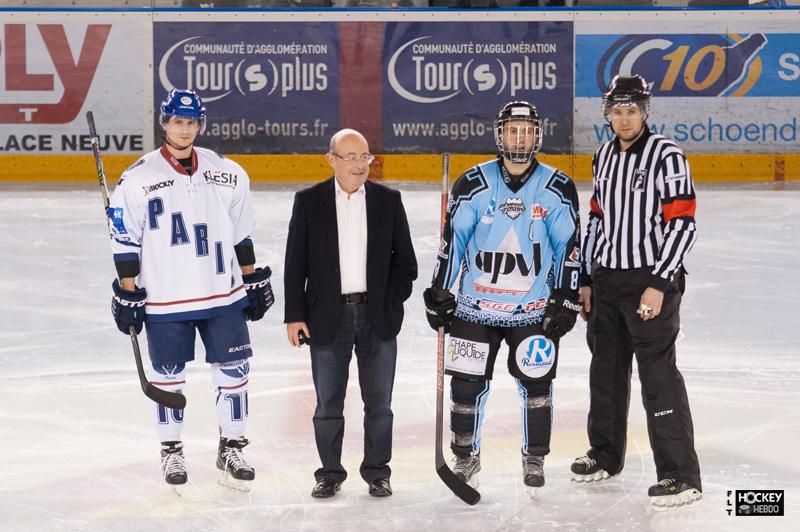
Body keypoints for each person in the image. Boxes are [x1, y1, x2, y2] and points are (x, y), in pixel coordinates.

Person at [107, 89, 274, 492]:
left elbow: (241, 235)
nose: (184, 130)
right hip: (165, 298)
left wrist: (250, 277)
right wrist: (129, 292)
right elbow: (125, 241)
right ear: (164, 123)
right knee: (167, 377)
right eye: (177, 122)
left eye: (191, 122)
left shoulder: (228, 172)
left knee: (235, 371)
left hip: (222, 294)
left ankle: (232, 445)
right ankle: (171, 450)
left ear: (200, 125)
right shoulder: (137, 178)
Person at [423, 101, 581, 494]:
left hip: (533, 309)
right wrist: (441, 289)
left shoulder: (557, 187)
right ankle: (465, 455)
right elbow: (453, 243)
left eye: (526, 131)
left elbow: (569, 248)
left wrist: (566, 296)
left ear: (537, 135)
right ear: (500, 135)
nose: (519, 138)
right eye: (513, 130)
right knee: (465, 387)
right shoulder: (473, 183)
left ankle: (535, 456)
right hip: (474, 307)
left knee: (537, 384)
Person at [572, 75, 702, 509]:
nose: (624, 119)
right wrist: (586, 278)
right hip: (606, 281)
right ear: (607, 114)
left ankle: (679, 475)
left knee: (658, 377)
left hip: (649, 280)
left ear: (644, 112)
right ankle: (605, 454)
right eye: (617, 111)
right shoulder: (604, 155)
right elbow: (597, 219)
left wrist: (659, 284)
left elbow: (682, 223)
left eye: (632, 111)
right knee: (605, 371)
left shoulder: (667, 155)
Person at [283, 129, 417, 499]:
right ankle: (329, 473)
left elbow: (406, 265)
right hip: (327, 318)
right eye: (351, 157)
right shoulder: (309, 202)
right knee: (328, 403)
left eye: (365, 156)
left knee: (380, 405)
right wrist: (294, 315)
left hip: (377, 319)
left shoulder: (389, 201)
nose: (360, 164)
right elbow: (295, 264)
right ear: (332, 160)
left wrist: (389, 301)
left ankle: (377, 472)